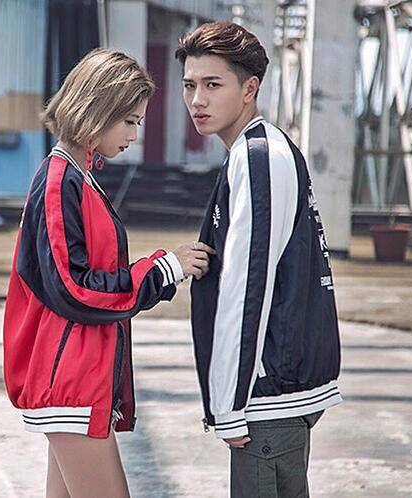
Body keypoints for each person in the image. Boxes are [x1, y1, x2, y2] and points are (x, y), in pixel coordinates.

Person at [2, 48, 214, 498]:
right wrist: (164, 269)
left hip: (76, 379)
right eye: (129, 121)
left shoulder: (75, 176)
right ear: (97, 110)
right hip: (70, 380)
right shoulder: (60, 180)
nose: (135, 135)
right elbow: (73, 288)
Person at [177, 21, 343, 497]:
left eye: (213, 85)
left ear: (249, 88)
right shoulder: (258, 151)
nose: (197, 100)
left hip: (266, 399)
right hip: (276, 392)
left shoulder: (257, 156)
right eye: (189, 85)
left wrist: (228, 406)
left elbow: (247, 285)